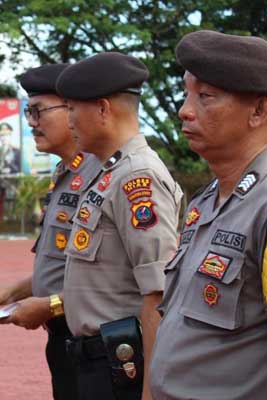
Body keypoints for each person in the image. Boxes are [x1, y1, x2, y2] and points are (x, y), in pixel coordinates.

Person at [149, 30, 267, 400]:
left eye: (205, 97)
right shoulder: (207, 202)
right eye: (187, 93)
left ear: (259, 110)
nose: (185, 110)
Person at [55, 52, 183, 400]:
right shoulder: (108, 172)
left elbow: (157, 294)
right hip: (98, 361)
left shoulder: (137, 177)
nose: (68, 121)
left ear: (102, 109)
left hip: (123, 367)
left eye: (71, 109)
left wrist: (150, 392)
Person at [0, 63, 100, 400]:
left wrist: (51, 306)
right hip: (65, 338)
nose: (31, 122)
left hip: (97, 342)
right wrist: (13, 292)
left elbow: (119, 280)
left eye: (38, 111)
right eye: (28, 112)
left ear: (73, 109)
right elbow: (68, 265)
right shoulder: (66, 173)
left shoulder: (104, 175)